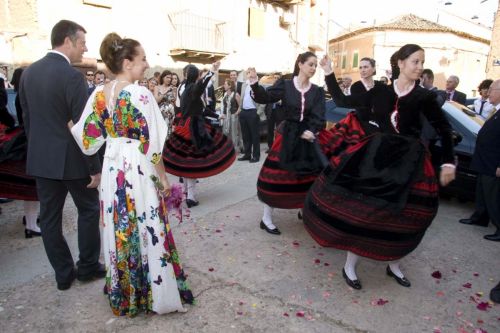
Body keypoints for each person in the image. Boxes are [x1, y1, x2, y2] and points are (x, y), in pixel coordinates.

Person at [304, 44, 456, 290]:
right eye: (415, 61)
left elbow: (444, 130)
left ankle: (394, 264)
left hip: (410, 164)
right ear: (401, 63)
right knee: (363, 211)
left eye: (422, 62)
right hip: (377, 158)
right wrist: (329, 73)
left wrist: (449, 161)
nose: (420, 67)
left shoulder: (424, 97)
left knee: (405, 218)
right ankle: (350, 265)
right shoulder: (380, 92)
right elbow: (343, 100)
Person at [69, 32, 194, 316]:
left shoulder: (99, 94)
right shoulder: (140, 93)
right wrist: (163, 178)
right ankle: (154, 291)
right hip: (137, 167)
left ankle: (125, 289)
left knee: (120, 226)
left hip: (113, 170)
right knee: (148, 222)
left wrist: (68, 124)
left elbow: (87, 140)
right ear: (127, 63)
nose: (147, 65)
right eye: (142, 59)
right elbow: (152, 146)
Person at [19, 20, 103, 291]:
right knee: (89, 209)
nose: (85, 48)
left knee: (51, 218)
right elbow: (83, 127)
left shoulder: (29, 73)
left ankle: (63, 274)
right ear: (67, 41)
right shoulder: (72, 77)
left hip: (42, 160)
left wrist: (39, 151)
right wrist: (95, 167)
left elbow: (27, 120)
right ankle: (88, 267)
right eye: (81, 43)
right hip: (74, 160)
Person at [248, 52, 333, 235]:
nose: (313, 68)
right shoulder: (286, 85)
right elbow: (265, 97)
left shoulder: (317, 91)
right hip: (287, 136)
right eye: (310, 64)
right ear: (300, 64)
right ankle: (266, 218)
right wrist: (255, 83)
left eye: (315, 65)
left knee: (307, 177)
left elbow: (319, 116)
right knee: (277, 178)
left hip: (307, 137)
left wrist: (313, 130)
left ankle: (304, 209)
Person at [162, 62, 236, 208]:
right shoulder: (192, 89)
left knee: (187, 163)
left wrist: (215, 115)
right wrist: (212, 71)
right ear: (196, 77)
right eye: (198, 76)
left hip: (183, 125)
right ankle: (191, 196)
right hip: (193, 128)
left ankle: (189, 194)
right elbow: (200, 91)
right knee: (193, 164)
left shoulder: (183, 88)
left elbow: (198, 108)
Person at [460, 79, 500, 242]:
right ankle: (480, 217)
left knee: (493, 196)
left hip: (494, 163)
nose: (488, 93)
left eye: (491, 89)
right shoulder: (496, 110)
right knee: (482, 192)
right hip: (485, 160)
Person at [238, 67, 265, 163]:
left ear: (255, 73)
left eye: (251, 72)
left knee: (255, 136)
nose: (249, 74)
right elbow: (242, 98)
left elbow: (263, 100)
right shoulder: (244, 84)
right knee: (245, 135)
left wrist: (258, 113)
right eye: (248, 72)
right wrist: (240, 109)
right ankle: (247, 154)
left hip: (253, 112)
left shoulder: (259, 84)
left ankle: (256, 156)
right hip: (244, 112)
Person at [265, 72, 285, 153]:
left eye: (278, 78)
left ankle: (278, 147)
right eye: (275, 78)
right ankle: (270, 147)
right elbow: (266, 101)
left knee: (279, 131)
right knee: (269, 130)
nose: (276, 79)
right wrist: (266, 112)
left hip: (279, 112)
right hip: (270, 112)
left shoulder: (283, 90)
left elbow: (287, 101)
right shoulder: (269, 89)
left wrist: (282, 102)